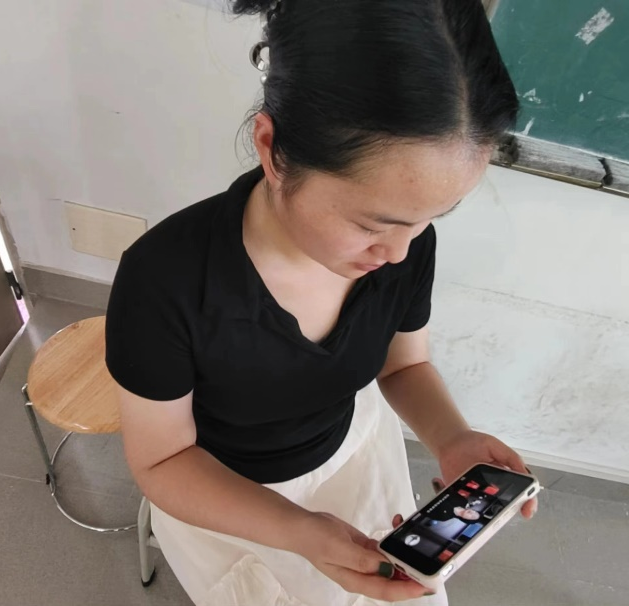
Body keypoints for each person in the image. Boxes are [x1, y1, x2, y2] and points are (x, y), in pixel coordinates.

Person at [105, 0, 538, 604]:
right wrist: (299, 532)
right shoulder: (165, 282)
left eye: (429, 220)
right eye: (372, 224)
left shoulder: (405, 247)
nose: (398, 251)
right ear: (272, 149)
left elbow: (403, 364)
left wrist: (451, 438)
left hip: (354, 457)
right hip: (229, 496)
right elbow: (162, 461)